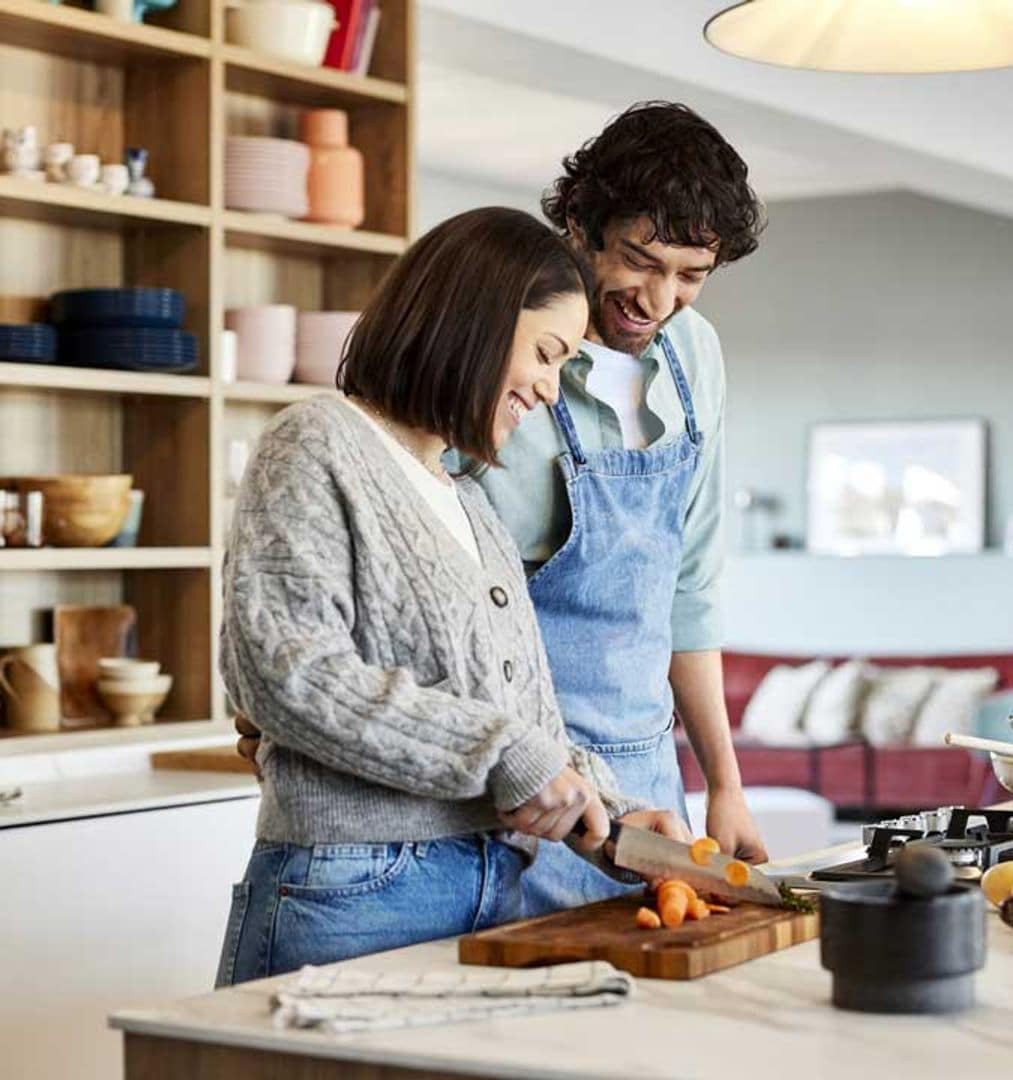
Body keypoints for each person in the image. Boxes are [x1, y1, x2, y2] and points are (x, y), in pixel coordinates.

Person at [215, 207, 686, 987]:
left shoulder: (469, 503)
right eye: (544, 353)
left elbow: (519, 719)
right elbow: (285, 673)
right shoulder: (316, 443)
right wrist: (506, 756)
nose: (547, 387)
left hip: (491, 884)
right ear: (474, 320)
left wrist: (613, 813)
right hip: (354, 890)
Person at [465, 102, 770, 917]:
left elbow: (689, 588)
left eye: (691, 275)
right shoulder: (496, 349)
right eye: (640, 260)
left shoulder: (693, 352)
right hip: (517, 793)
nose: (659, 298)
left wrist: (725, 786)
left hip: (649, 787)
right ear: (578, 223)